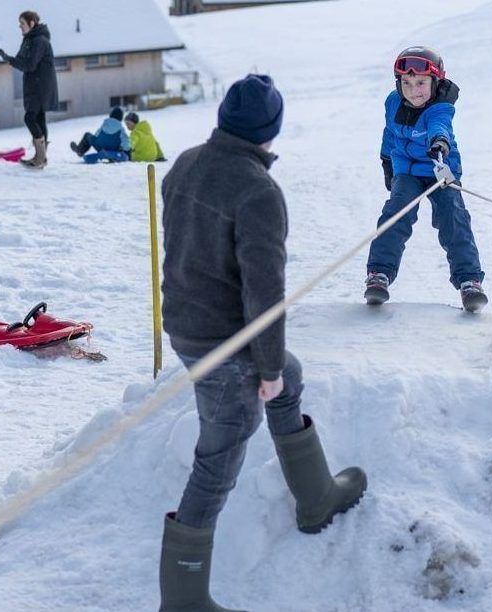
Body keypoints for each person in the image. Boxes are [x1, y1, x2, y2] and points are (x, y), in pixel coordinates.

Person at [159, 74, 367, 611]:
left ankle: (316, 498)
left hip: (187, 325)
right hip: (223, 343)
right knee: (220, 454)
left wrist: (278, 371)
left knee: (289, 379)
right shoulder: (258, 190)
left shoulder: (184, 163)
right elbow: (265, 293)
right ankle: (183, 601)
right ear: (270, 131)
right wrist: (265, 368)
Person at [365, 46, 488, 313]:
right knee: (396, 212)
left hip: (438, 168)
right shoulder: (393, 102)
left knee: (453, 217)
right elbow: (389, 133)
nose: (413, 90)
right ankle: (379, 274)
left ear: (435, 82)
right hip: (406, 171)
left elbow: (439, 127)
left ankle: (469, 280)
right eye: (406, 83)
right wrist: (387, 161)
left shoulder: (440, 108)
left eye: (421, 83)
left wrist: (439, 143)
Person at [0, 10, 58, 169]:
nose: (20, 27)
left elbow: (29, 65)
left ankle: (41, 157)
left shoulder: (39, 41)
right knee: (39, 118)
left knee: (30, 118)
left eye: (22, 24)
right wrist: (8, 58)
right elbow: (22, 60)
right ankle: (41, 158)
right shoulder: (29, 40)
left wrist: (10, 60)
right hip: (35, 85)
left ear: (32, 23)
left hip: (40, 86)